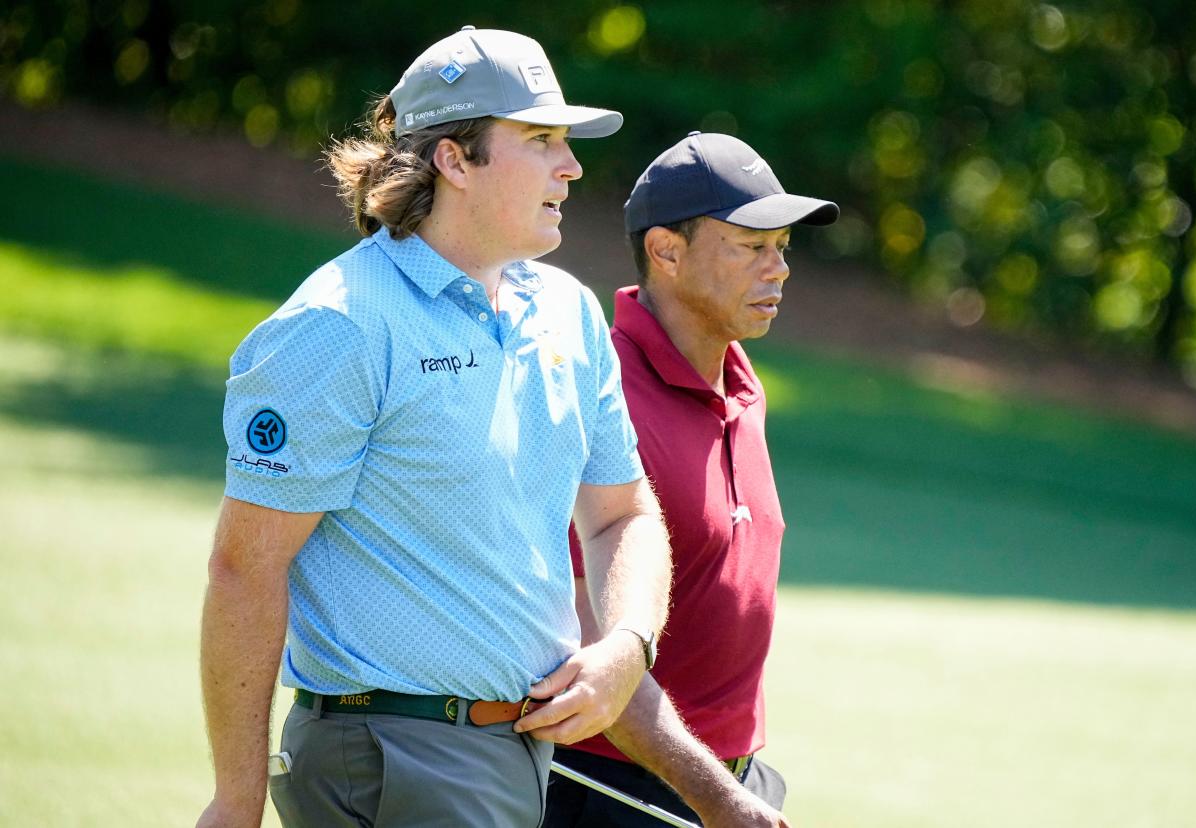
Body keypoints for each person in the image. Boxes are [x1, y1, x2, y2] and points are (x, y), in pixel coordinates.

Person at [197, 26, 672, 828]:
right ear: (455, 159)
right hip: (393, 753)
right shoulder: (340, 324)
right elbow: (246, 569)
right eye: (542, 140)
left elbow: (624, 513)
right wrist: (237, 802)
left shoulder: (568, 312)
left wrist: (627, 645)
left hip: (515, 755)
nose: (572, 165)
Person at [537, 131, 839, 827]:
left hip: (721, 781)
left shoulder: (740, 381)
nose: (779, 268)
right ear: (666, 252)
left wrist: (739, 786)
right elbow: (589, 650)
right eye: (751, 245)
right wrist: (718, 798)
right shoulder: (602, 397)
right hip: (609, 790)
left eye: (783, 247)